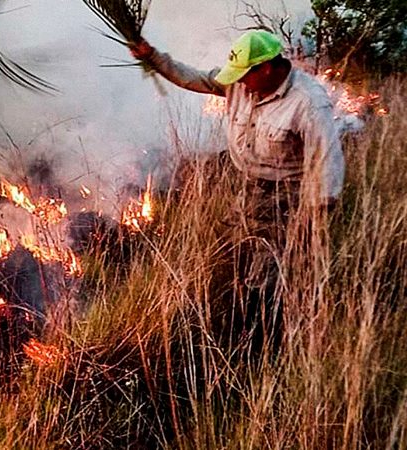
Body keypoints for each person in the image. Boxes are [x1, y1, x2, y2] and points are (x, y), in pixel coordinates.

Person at [131, 30, 344, 355]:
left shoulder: (308, 103)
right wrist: (152, 56)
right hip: (247, 188)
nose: (239, 84)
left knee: (267, 275)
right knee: (228, 259)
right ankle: (233, 318)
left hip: (287, 198)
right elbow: (193, 79)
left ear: (267, 68)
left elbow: (327, 161)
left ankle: (263, 348)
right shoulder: (239, 83)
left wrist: (314, 220)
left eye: (245, 76)